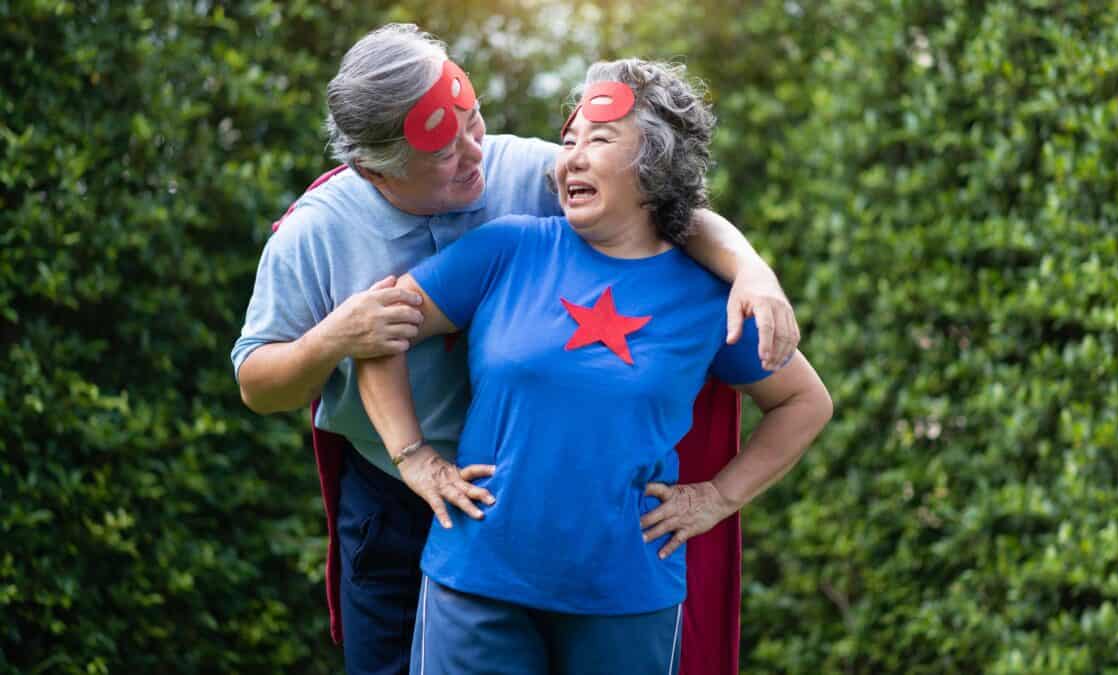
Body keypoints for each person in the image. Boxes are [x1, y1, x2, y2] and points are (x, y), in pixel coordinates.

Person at [232, 24, 801, 675]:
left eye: (473, 123)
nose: (476, 152)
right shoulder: (314, 234)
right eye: (445, 154)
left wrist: (749, 267)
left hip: (544, 507)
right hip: (393, 498)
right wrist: (339, 341)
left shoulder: (526, 173)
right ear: (376, 168)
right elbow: (258, 383)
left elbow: (664, 203)